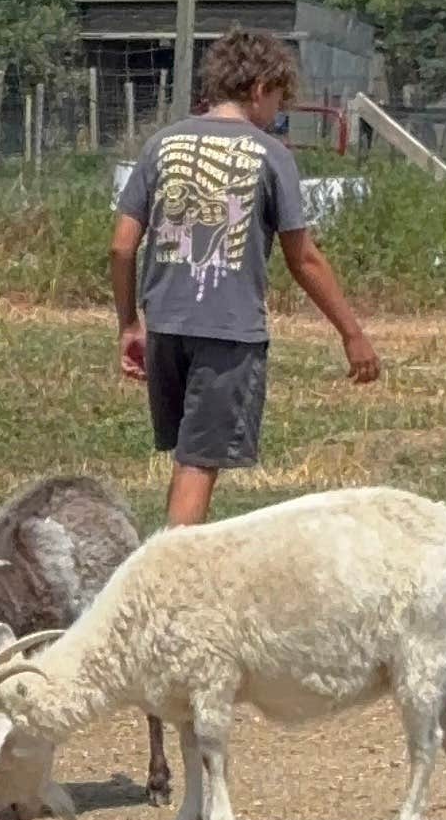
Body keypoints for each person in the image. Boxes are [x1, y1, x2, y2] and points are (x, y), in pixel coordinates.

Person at [110, 28, 381, 525]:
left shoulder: (161, 144)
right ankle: (173, 578)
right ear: (259, 89)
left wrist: (130, 323)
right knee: (199, 460)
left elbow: (122, 245)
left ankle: (176, 556)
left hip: (166, 326)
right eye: (278, 99)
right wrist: (353, 333)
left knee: (190, 454)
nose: (277, 112)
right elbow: (304, 259)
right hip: (228, 331)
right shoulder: (271, 155)